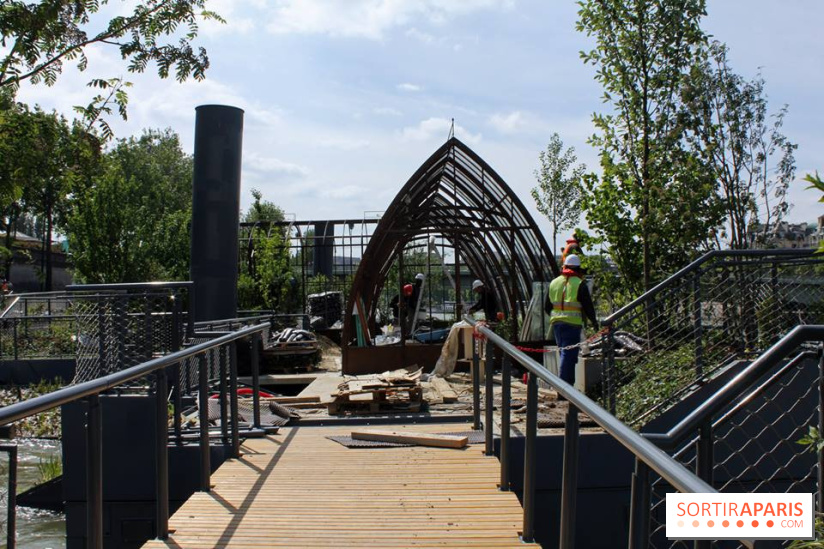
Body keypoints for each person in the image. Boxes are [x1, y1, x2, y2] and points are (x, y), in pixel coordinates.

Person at [544, 254, 598, 388]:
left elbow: (547, 307)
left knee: (564, 353)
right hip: (572, 324)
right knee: (568, 355)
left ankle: (566, 386)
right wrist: (594, 322)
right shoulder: (580, 284)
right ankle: (564, 388)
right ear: (578, 269)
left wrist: (557, 316)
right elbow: (588, 306)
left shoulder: (554, 282)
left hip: (557, 324)